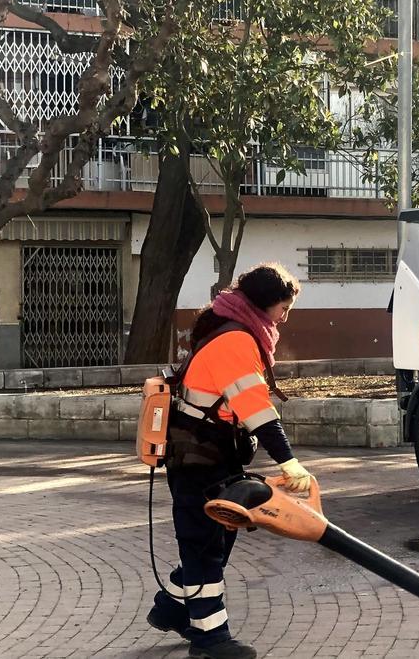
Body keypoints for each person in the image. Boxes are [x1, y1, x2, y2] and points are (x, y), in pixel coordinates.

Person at [146, 263, 312, 659]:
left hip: (208, 457)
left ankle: (171, 608)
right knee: (204, 549)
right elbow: (256, 409)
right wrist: (288, 461)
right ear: (263, 305)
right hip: (200, 461)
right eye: (283, 308)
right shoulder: (235, 342)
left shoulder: (232, 331)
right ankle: (209, 639)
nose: (284, 318)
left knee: (215, 540)